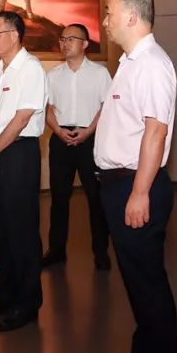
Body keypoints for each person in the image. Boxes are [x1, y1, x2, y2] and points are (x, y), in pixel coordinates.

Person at [94, 0, 177, 353]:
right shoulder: (129, 63)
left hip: (136, 184)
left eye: (109, 12)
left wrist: (140, 192)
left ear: (130, 15)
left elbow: (155, 132)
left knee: (148, 282)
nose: (104, 20)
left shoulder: (152, 65)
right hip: (119, 183)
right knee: (134, 278)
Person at [0, 11, 47, 333]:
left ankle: (27, 303)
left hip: (17, 152)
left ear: (14, 35)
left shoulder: (31, 69)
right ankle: (5, 295)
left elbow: (22, 119)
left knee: (22, 230)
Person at [43, 23, 113, 270]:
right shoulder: (52, 75)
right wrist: (58, 131)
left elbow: (107, 107)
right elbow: (47, 109)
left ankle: (101, 251)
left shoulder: (100, 73)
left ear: (84, 44)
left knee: (96, 197)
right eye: (62, 39)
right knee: (59, 198)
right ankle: (56, 250)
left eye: (70, 39)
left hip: (90, 140)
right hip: (60, 139)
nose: (64, 43)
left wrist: (88, 131)